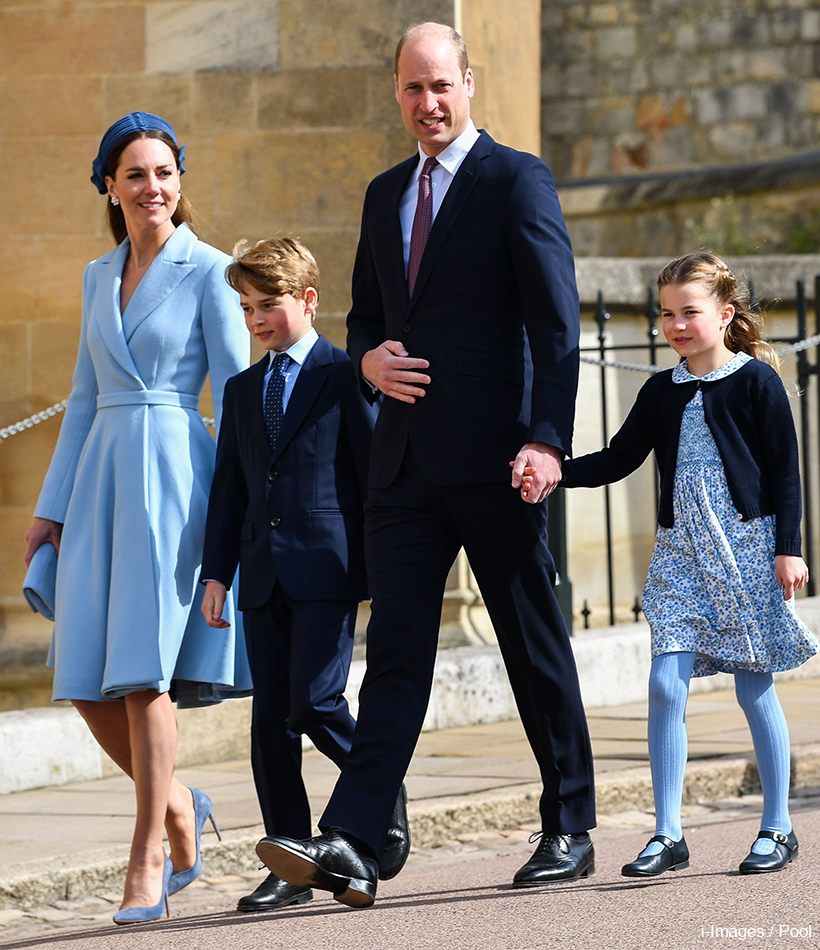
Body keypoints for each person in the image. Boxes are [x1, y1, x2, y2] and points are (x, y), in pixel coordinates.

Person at [256, 22, 596, 908]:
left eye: (441, 85)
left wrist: (546, 440)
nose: (428, 103)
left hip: (497, 459)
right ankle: (357, 840)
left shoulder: (515, 178)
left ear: (469, 83)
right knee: (396, 655)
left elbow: (556, 325)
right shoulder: (382, 194)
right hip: (402, 467)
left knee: (531, 642)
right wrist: (365, 362)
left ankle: (570, 824)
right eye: (412, 89)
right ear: (398, 94)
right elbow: (367, 319)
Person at [22, 112, 251, 924]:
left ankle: (146, 853)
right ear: (110, 189)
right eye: (135, 175)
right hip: (98, 485)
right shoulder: (96, 275)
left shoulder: (213, 272)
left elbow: (237, 401)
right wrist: (49, 512)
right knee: (85, 677)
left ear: (179, 182)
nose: (153, 188)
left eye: (164, 172)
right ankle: (182, 806)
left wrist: (236, 515)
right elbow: (82, 402)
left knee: (144, 674)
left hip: (174, 482)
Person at [561, 251, 819, 877]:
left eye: (689, 312)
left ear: (726, 315)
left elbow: (786, 470)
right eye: (666, 314)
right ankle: (669, 832)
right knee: (663, 681)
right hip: (680, 552)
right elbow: (619, 457)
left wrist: (790, 547)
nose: (675, 325)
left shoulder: (756, 382)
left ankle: (777, 827)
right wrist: (554, 470)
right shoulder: (660, 390)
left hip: (747, 548)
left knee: (753, 687)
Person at [199, 238, 377, 912]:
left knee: (316, 703)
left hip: (328, 570)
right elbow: (230, 491)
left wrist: (383, 573)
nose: (255, 320)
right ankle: (290, 860)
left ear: (307, 299)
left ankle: (376, 789)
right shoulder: (243, 390)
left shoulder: (343, 373)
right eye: (245, 308)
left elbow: (371, 477)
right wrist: (217, 576)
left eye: (267, 305)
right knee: (271, 721)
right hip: (260, 575)